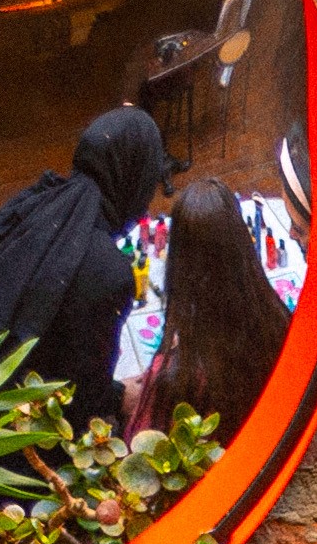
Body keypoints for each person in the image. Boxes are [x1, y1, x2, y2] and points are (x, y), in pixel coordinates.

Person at [0, 105, 168, 431]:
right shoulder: (106, 272)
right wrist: (119, 396)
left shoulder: (35, 202)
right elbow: (80, 390)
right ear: (134, 178)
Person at [114, 173, 301, 442]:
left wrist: (147, 387)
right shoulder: (278, 319)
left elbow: (143, 449)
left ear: (179, 259)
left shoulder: (180, 375)